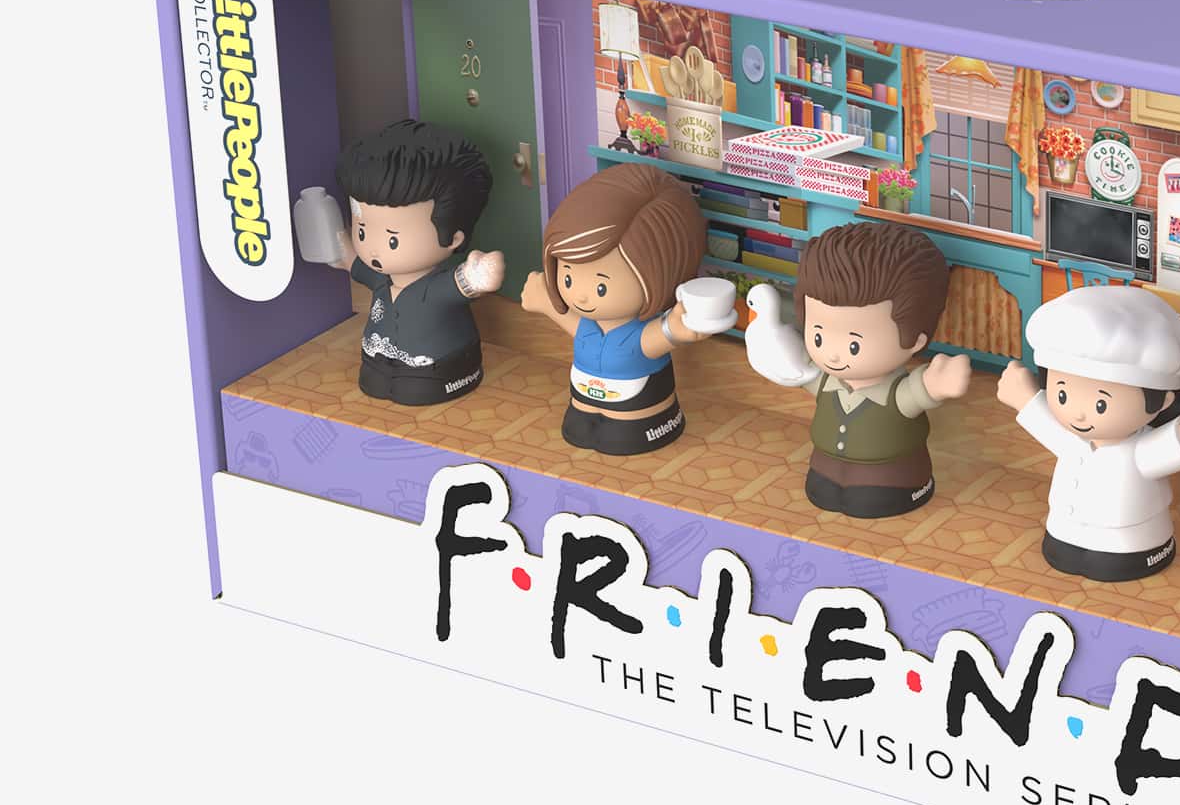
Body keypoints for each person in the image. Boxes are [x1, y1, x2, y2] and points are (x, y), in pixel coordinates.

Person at [999, 286, 1180, 581]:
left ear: (1163, 399)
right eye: (1063, 394)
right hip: (1063, 529)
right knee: (1060, 552)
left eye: (1101, 403)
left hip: (1132, 542)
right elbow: (1048, 428)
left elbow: (1168, 448)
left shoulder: (1139, 451)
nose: (1079, 415)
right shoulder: (1073, 440)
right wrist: (1025, 400)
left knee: (1112, 564)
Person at [741, 222, 970, 515]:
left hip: (892, 480)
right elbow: (798, 371)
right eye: (819, 336)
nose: (834, 355)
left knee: (871, 500)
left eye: (853, 345)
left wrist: (936, 385)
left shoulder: (894, 393)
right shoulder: (824, 379)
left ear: (915, 338)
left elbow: (916, 392)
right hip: (823, 469)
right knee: (822, 491)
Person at [521, 164, 714, 455]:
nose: (581, 297)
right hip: (581, 401)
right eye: (568, 278)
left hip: (639, 413)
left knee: (622, 438)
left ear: (657, 275)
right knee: (577, 429)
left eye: (601, 287)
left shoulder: (638, 335)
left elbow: (660, 336)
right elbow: (574, 325)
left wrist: (676, 329)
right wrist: (547, 304)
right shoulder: (588, 324)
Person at [334, 119, 505, 406]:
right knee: (373, 382)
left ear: (453, 237)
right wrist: (339, 245)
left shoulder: (435, 288)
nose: (373, 247)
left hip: (438, 368)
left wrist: (479, 275)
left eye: (392, 239)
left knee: (415, 391)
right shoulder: (380, 277)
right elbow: (352, 261)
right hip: (377, 360)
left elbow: (462, 283)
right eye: (362, 231)